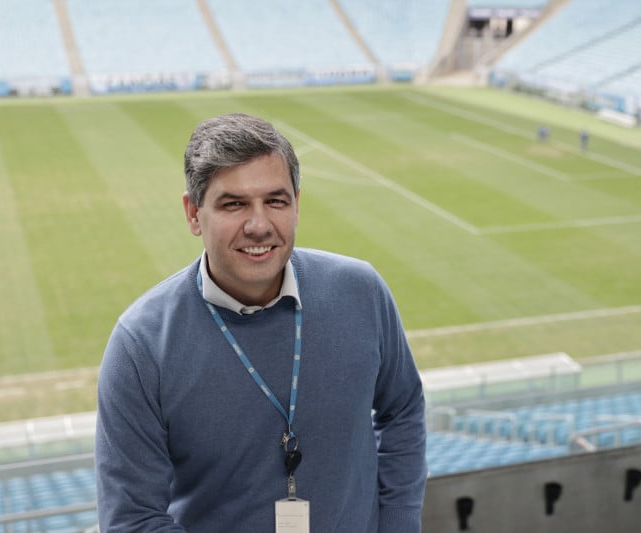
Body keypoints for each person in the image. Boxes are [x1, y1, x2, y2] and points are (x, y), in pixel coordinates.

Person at [95, 113, 427, 532]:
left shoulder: (361, 291)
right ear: (193, 213)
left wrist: (399, 524)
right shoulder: (141, 344)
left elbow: (403, 408)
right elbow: (132, 520)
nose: (259, 225)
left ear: (296, 205)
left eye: (275, 201)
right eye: (234, 204)